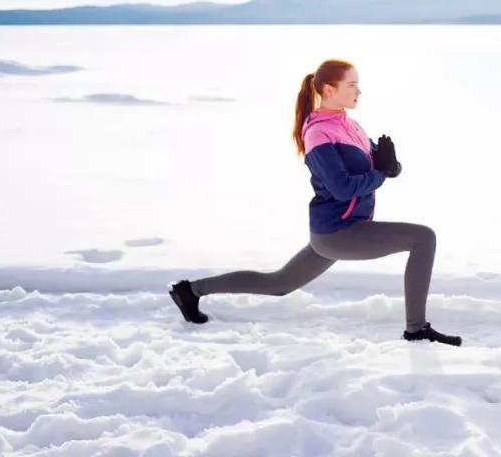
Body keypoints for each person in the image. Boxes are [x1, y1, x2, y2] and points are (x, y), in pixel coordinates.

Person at [169, 59, 461, 346]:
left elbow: (376, 163)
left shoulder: (351, 126)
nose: (359, 91)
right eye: (352, 85)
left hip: (343, 228)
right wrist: (380, 174)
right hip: (339, 233)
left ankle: (190, 291)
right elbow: (342, 188)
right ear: (329, 89)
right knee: (423, 238)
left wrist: (391, 166)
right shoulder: (318, 134)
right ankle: (416, 329)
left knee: (278, 284)